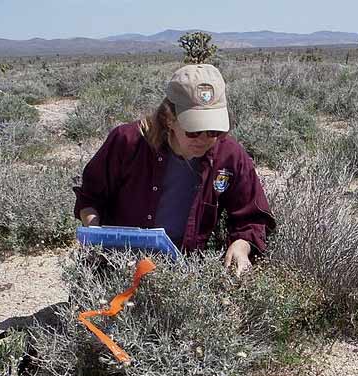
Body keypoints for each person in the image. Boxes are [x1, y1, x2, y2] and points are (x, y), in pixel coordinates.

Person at [73, 63, 275, 275]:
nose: (205, 139)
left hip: (184, 276)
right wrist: (96, 235)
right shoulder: (128, 142)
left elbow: (251, 216)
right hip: (118, 267)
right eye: (194, 131)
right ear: (169, 118)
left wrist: (241, 246)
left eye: (214, 130)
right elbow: (90, 198)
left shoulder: (230, 155)